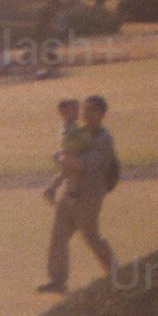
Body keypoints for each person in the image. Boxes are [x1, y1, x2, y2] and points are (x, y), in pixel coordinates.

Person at [40, 91, 120, 292]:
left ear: (102, 114)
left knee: (92, 238)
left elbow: (80, 164)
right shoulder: (79, 134)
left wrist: (60, 158)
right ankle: (57, 280)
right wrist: (54, 185)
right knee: (59, 236)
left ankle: (117, 275)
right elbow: (67, 163)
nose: (86, 113)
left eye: (91, 110)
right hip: (70, 193)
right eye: (85, 109)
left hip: (89, 197)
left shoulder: (104, 139)